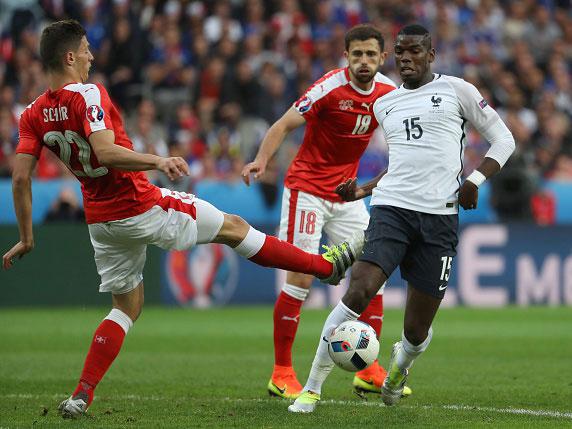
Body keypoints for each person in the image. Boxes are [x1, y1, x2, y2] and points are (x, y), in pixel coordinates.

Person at [1, 20, 363, 418]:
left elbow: (20, 177)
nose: (90, 56)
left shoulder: (32, 113)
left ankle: (82, 394)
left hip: (101, 222)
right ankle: (325, 267)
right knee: (235, 228)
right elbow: (105, 152)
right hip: (140, 204)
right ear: (70, 56)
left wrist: (27, 237)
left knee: (126, 306)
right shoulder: (87, 93)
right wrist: (157, 160)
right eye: (85, 49)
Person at [288, 24, 516, 413]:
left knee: (415, 330)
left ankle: (399, 368)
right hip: (391, 211)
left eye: (414, 52)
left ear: (431, 56)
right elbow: (402, 165)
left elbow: (505, 139)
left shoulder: (457, 90)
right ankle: (311, 389)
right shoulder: (386, 103)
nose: (406, 59)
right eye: (400, 53)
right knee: (358, 291)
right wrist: (364, 190)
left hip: (439, 220)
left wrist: (475, 179)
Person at [241, 24, 404, 399]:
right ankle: (282, 372)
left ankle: (368, 369)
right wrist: (261, 160)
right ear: (346, 56)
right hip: (307, 191)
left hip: (346, 195)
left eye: (370, 54)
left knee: (373, 270)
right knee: (300, 278)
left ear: (382, 58)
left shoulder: (389, 94)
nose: (364, 61)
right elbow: (283, 124)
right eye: (357, 54)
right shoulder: (329, 88)